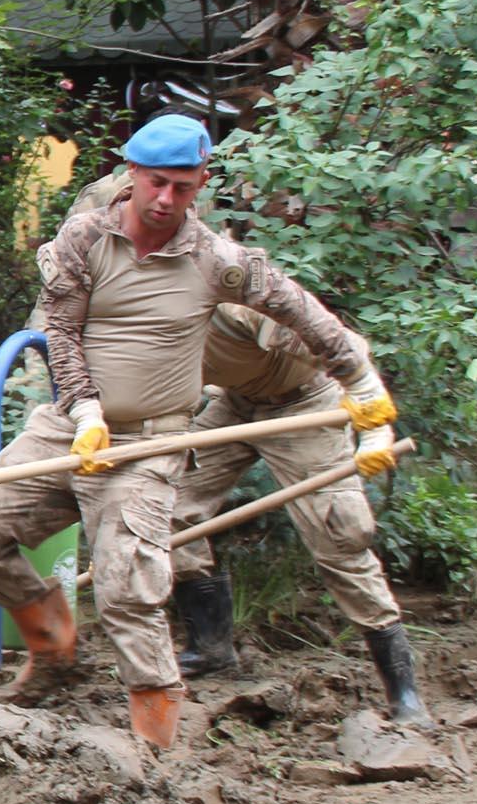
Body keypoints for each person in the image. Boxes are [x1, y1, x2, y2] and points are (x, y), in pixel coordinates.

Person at [0, 113, 399, 751]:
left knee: (128, 580)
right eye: (155, 183)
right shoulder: (85, 239)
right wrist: (85, 412)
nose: (165, 200)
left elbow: (303, 313)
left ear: (200, 185)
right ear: (132, 175)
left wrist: (364, 388)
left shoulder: (217, 261)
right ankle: (53, 649)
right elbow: (63, 332)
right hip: (69, 428)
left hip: (151, 444)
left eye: (181, 188)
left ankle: (153, 756)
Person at [171, 305, 428, 724]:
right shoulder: (131, 307)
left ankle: (405, 694)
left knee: (339, 533)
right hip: (234, 404)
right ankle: (211, 649)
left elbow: (347, 348)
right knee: (167, 503)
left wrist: (376, 425)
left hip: (306, 402)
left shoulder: (239, 302)